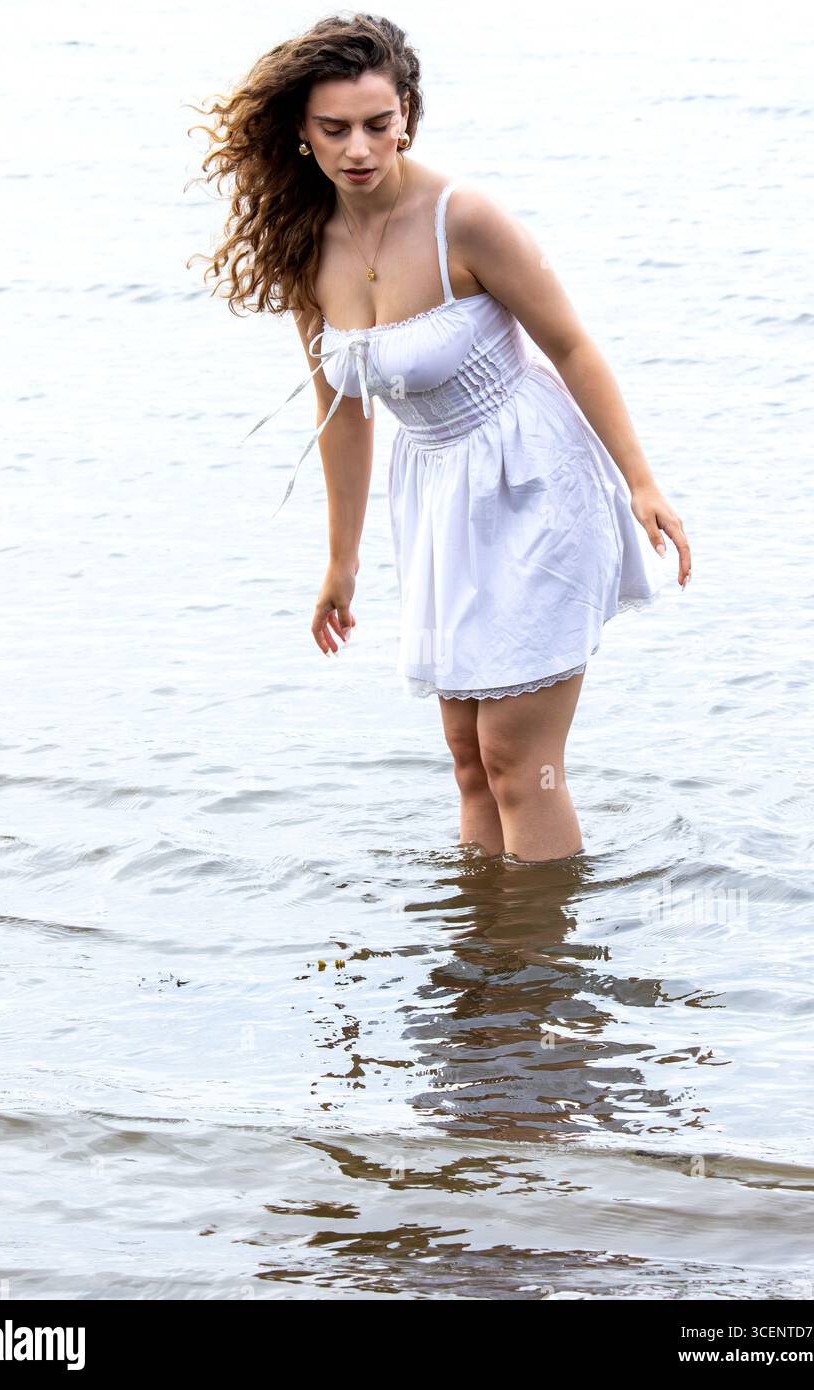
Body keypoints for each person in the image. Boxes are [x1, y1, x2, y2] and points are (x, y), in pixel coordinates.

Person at [189, 12, 691, 863]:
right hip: (436, 500)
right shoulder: (305, 243)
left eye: (378, 125)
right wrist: (340, 562)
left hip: (533, 479)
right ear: (300, 135)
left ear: (407, 115)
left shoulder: (463, 217)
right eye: (334, 129)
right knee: (467, 760)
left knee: (517, 759)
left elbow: (570, 346)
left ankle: (536, 967)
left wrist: (640, 481)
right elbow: (341, 413)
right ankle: (481, 964)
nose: (359, 148)